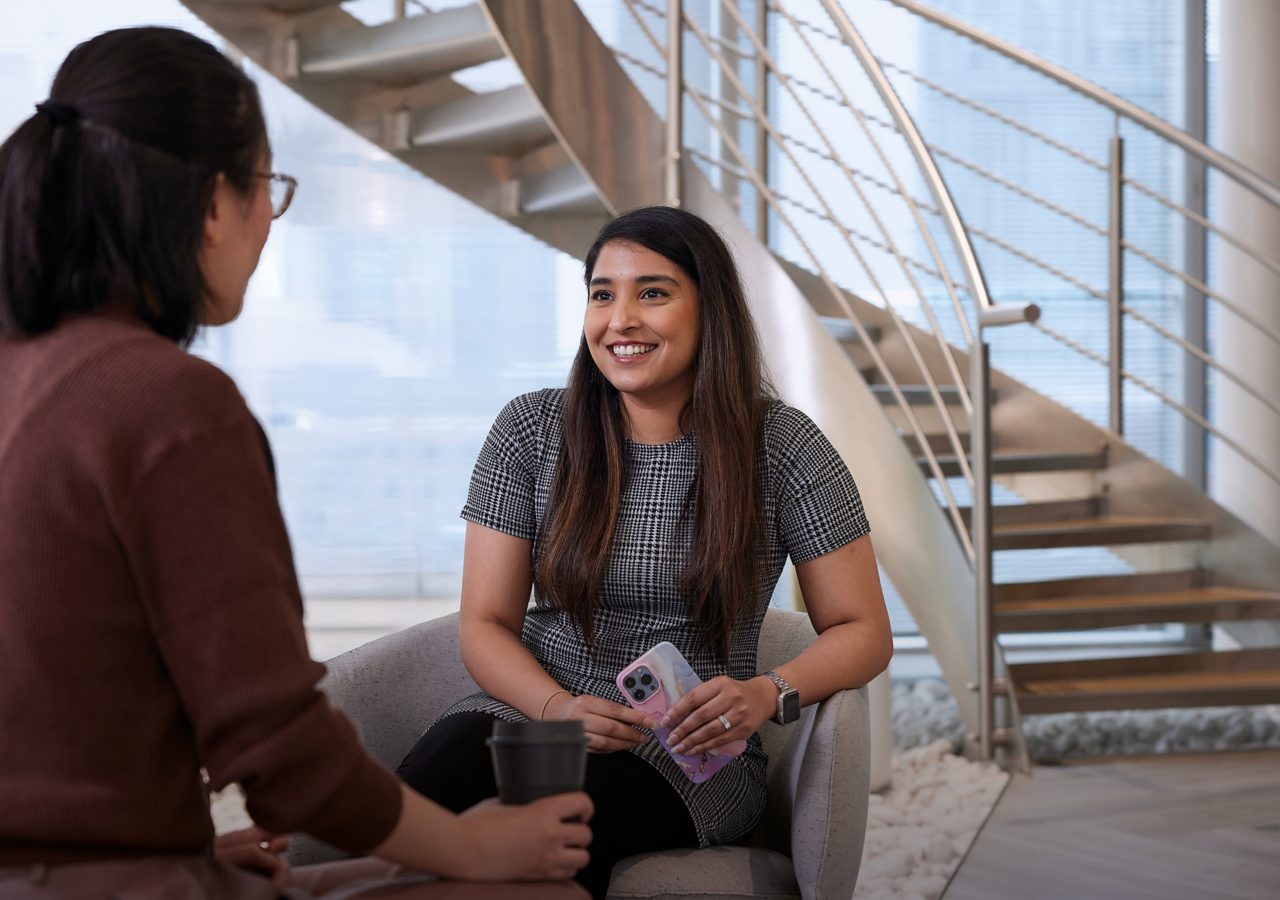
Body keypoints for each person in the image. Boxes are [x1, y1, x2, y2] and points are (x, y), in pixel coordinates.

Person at [0, 27, 592, 899]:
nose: (268, 226)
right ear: (212, 203)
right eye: (267, 188)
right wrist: (473, 851)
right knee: (542, 892)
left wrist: (182, 846)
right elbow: (283, 754)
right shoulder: (171, 404)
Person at [396, 205, 893, 898]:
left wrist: (764, 694)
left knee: (549, 835)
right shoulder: (530, 430)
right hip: (542, 713)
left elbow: (864, 631)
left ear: (708, 309)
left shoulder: (782, 446)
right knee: (417, 800)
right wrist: (556, 709)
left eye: (651, 293)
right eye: (603, 294)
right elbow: (483, 623)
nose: (619, 319)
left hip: (685, 754)